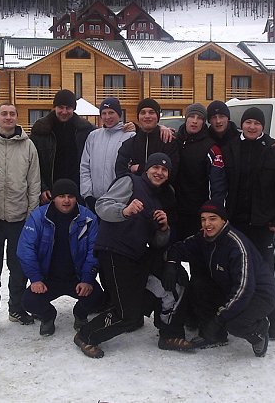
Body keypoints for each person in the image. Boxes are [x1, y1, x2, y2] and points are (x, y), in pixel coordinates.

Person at [74, 153, 194, 358]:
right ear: (146, 169)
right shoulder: (130, 182)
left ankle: (169, 334)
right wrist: (124, 210)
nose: (159, 172)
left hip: (138, 255)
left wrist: (163, 229)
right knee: (127, 315)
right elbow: (102, 206)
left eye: (164, 169)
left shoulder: (157, 199)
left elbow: (156, 242)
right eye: (155, 167)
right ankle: (86, 336)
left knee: (177, 279)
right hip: (115, 251)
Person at [164, 201, 275, 357]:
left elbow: (244, 290)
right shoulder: (203, 238)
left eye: (212, 219)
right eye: (203, 219)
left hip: (258, 295)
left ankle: (258, 332)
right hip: (229, 289)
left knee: (234, 323)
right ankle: (216, 337)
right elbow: (179, 247)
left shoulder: (236, 246)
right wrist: (171, 263)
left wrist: (219, 319)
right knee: (199, 285)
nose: (207, 224)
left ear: (223, 220)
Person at [225, 107, 275, 340]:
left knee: (265, 274)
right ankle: (239, 316)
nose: (252, 127)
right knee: (237, 273)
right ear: (242, 124)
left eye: (257, 123)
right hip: (236, 225)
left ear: (263, 126)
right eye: (248, 122)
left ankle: (271, 320)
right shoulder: (231, 148)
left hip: (263, 226)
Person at [0, 103, 41, 337]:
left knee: (19, 268)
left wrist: (31, 215)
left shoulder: (28, 146)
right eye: (4, 114)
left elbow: (34, 182)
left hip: (18, 218)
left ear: (17, 117)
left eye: (12, 114)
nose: (8, 117)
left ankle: (16, 308)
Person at [17, 179, 104, 336]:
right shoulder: (38, 217)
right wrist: (36, 279)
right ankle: (48, 316)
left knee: (98, 297)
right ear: (53, 198)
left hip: (76, 277)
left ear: (76, 198)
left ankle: (80, 314)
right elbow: (25, 249)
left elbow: (94, 251)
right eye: (61, 196)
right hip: (48, 278)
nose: (66, 200)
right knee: (28, 301)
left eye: (71, 196)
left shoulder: (88, 218)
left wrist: (87, 279)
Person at [30, 89, 95, 205]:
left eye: (68, 108)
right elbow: (33, 163)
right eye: (60, 107)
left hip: (78, 190)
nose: (64, 112)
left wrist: (128, 129)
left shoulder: (85, 129)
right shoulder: (41, 130)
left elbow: (105, 135)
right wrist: (42, 187)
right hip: (50, 191)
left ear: (73, 109)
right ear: (54, 107)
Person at [174, 103, 226, 240]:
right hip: (174, 212)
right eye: (192, 116)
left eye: (200, 118)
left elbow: (217, 185)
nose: (195, 121)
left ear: (204, 122)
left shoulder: (211, 148)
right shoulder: (174, 141)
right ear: (186, 118)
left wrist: (213, 215)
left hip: (198, 215)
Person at [80, 97, 135, 213]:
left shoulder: (129, 136)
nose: (107, 117)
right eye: (104, 113)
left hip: (120, 201)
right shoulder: (93, 136)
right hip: (94, 200)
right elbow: (85, 167)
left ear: (119, 114)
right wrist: (87, 194)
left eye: (111, 112)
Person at [115, 98, 179, 181]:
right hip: (134, 189)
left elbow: (172, 172)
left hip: (161, 189)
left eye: (151, 112)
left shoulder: (168, 141)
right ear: (138, 117)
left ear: (157, 116)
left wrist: (139, 168)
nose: (147, 116)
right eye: (143, 113)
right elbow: (121, 172)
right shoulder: (128, 144)